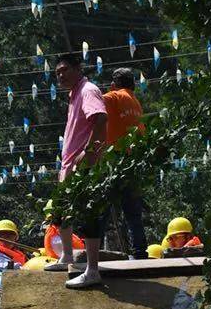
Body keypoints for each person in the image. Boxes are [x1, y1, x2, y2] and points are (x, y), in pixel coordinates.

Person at [46, 52, 108, 291]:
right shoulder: (74, 95)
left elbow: (100, 119)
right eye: (57, 73)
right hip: (70, 166)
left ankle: (92, 270)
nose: (60, 76)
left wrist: (89, 154)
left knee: (89, 215)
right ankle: (67, 257)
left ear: (78, 68)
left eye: (64, 70)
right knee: (61, 211)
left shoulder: (88, 90)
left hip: (86, 166)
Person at [102, 68, 148, 258]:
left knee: (101, 208)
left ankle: (92, 252)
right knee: (133, 212)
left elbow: (92, 103)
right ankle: (139, 252)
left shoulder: (113, 96)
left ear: (114, 84)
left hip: (115, 158)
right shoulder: (135, 102)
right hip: (133, 160)